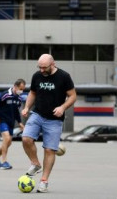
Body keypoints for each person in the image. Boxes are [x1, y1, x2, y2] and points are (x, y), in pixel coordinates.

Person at [21, 54, 76, 193]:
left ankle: (44, 181)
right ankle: (35, 163)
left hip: (54, 120)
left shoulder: (64, 76)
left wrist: (63, 107)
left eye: (44, 67)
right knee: (26, 138)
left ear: (53, 64)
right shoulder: (37, 76)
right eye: (39, 67)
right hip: (37, 114)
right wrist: (27, 107)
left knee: (49, 150)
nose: (41, 70)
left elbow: (73, 95)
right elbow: (33, 93)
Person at [0, 78, 26, 170]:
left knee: (8, 142)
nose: (21, 91)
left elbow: (16, 112)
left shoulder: (19, 98)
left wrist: (20, 122)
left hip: (11, 122)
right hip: (2, 120)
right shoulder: (6, 94)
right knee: (6, 138)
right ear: (15, 86)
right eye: (20, 89)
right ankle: (4, 161)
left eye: (23, 89)